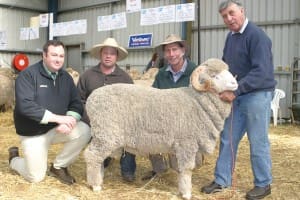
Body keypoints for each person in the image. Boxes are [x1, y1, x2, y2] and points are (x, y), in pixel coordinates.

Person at [200, 1, 276, 199]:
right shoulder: (231, 37)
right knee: (228, 138)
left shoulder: (256, 36)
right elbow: (227, 68)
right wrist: (219, 84)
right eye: (224, 16)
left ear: (242, 11)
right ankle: (221, 179)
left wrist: (236, 91)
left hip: (257, 94)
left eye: (232, 13)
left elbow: (262, 71)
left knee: (257, 140)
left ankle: (263, 183)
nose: (229, 19)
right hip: (238, 95)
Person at [8, 40, 91, 185]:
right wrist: (59, 118)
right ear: (44, 56)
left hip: (56, 129)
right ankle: (14, 159)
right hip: (33, 132)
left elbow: (76, 102)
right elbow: (25, 106)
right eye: (54, 55)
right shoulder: (27, 75)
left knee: (85, 131)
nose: (58, 59)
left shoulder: (66, 78)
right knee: (35, 177)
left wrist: (70, 120)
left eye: (61, 56)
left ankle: (58, 167)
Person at [77, 37, 136, 182]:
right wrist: (91, 119)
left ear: (116, 56)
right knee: (97, 151)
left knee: (130, 137)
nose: (108, 56)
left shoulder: (125, 78)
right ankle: (104, 160)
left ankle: (127, 169)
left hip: (119, 124)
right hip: (93, 123)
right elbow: (79, 101)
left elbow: (132, 105)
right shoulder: (87, 76)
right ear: (100, 54)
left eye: (112, 53)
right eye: (105, 52)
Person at [142, 34, 197, 180]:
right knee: (147, 131)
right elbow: (153, 97)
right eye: (167, 51)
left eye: (174, 49)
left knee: (180, 166)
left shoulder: (195, 71)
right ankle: (158, 168)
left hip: (187, 124)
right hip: (164, 121)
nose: (171, 54)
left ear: (183, 50)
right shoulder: (161, 74)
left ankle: (184, 162)